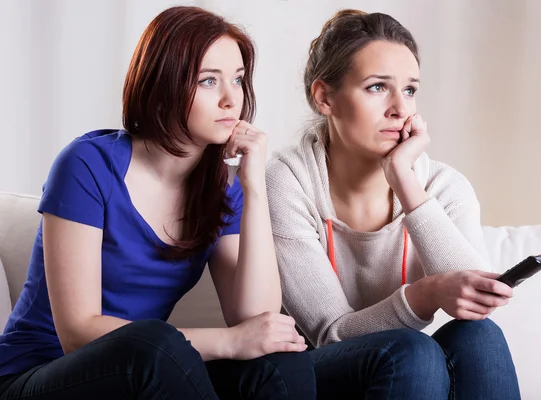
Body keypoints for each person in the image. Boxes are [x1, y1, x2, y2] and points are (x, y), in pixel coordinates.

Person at [0, 6, 315, 399]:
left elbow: (257, 320)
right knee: (153, 343)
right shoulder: (87, 165)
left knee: (277, 358)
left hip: (150, 369)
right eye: (208, 81)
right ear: (162, 85)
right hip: (39, 375)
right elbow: (78, 333)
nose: (231, 99)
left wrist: (253, 186)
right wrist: (227, 342)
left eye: (237, 79)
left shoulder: (221, 187)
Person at [266, 9, 521, 399]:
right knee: (412, 350)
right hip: (315, 375)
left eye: (410, 90)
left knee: (478, 335)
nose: (400, 109)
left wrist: (404, 180)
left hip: (405, 376)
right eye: (377, 87)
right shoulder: (288, 181)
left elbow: (475, 298)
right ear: (325, 97)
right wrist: (427, 294)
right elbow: (330, 333)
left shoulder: (444, 187)